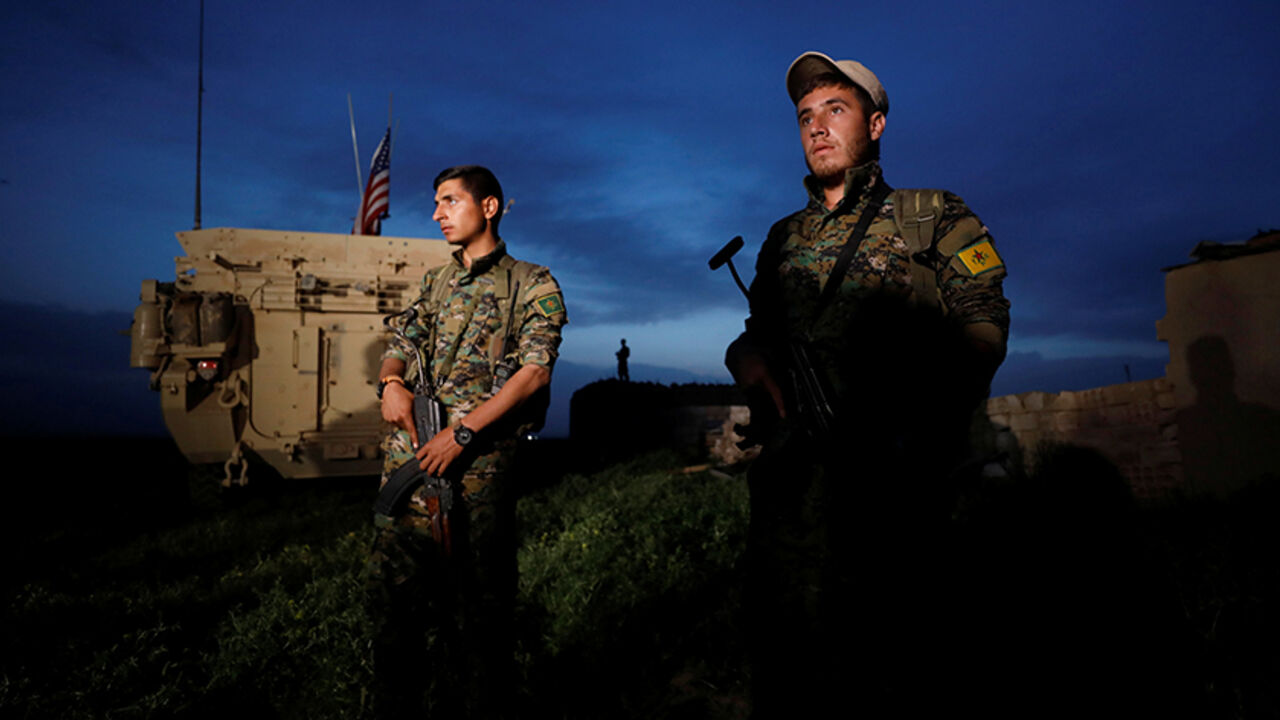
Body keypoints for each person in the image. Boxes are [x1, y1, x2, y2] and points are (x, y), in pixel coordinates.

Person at [724, 52, 1010, 715]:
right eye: (806, 117)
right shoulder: (781, 239)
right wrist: (746, 358)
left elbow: (985, 327)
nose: (817, 127)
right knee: (789, 668)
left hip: (897, 500)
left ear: (875, 124)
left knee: (897, 669)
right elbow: (756, 333)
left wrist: (914, 429)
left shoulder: (931, 214)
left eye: (836, 110)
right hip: (790, 508)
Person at [367, 165, 567, 717]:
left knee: (477, 618)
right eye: (436, 202)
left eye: (450, 201)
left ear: (489, 207)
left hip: (475, 475)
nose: (437, 213)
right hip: (407, 470)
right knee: (393, 613)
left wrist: (463, 434)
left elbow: (535, 372)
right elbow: (400, 339)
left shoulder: (532, 282)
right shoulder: (435, 283)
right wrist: (391, 383)